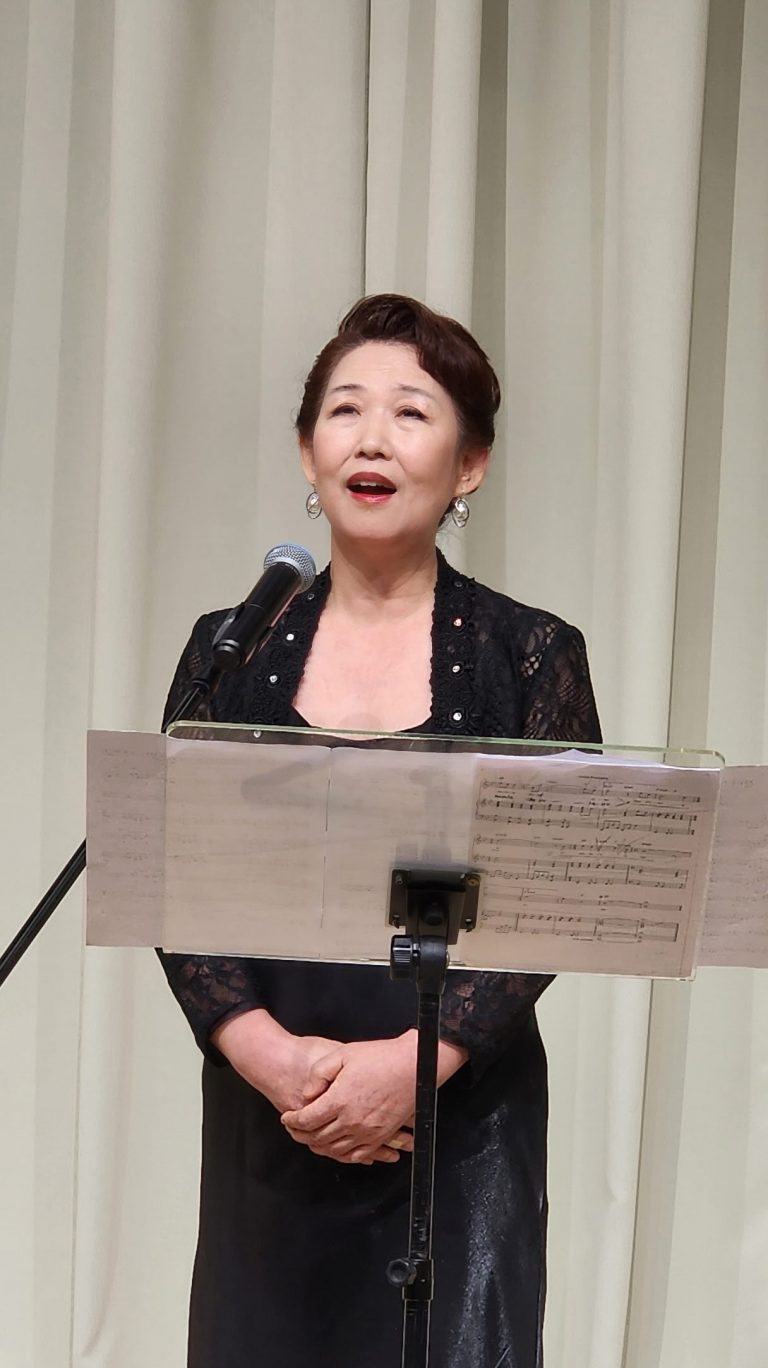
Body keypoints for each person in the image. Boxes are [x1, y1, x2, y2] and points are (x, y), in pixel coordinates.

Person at [159, 294, 602, 1368]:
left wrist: (412, 1066)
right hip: (277, 1103)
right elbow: (172, 876)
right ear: (306, 452)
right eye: (344, 409)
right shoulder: (228, 647)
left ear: (470, 464)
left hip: (458, 1108)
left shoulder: (531, 653)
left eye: (411, 412)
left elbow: (554, 896)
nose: (370, 438)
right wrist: (271, 1060)